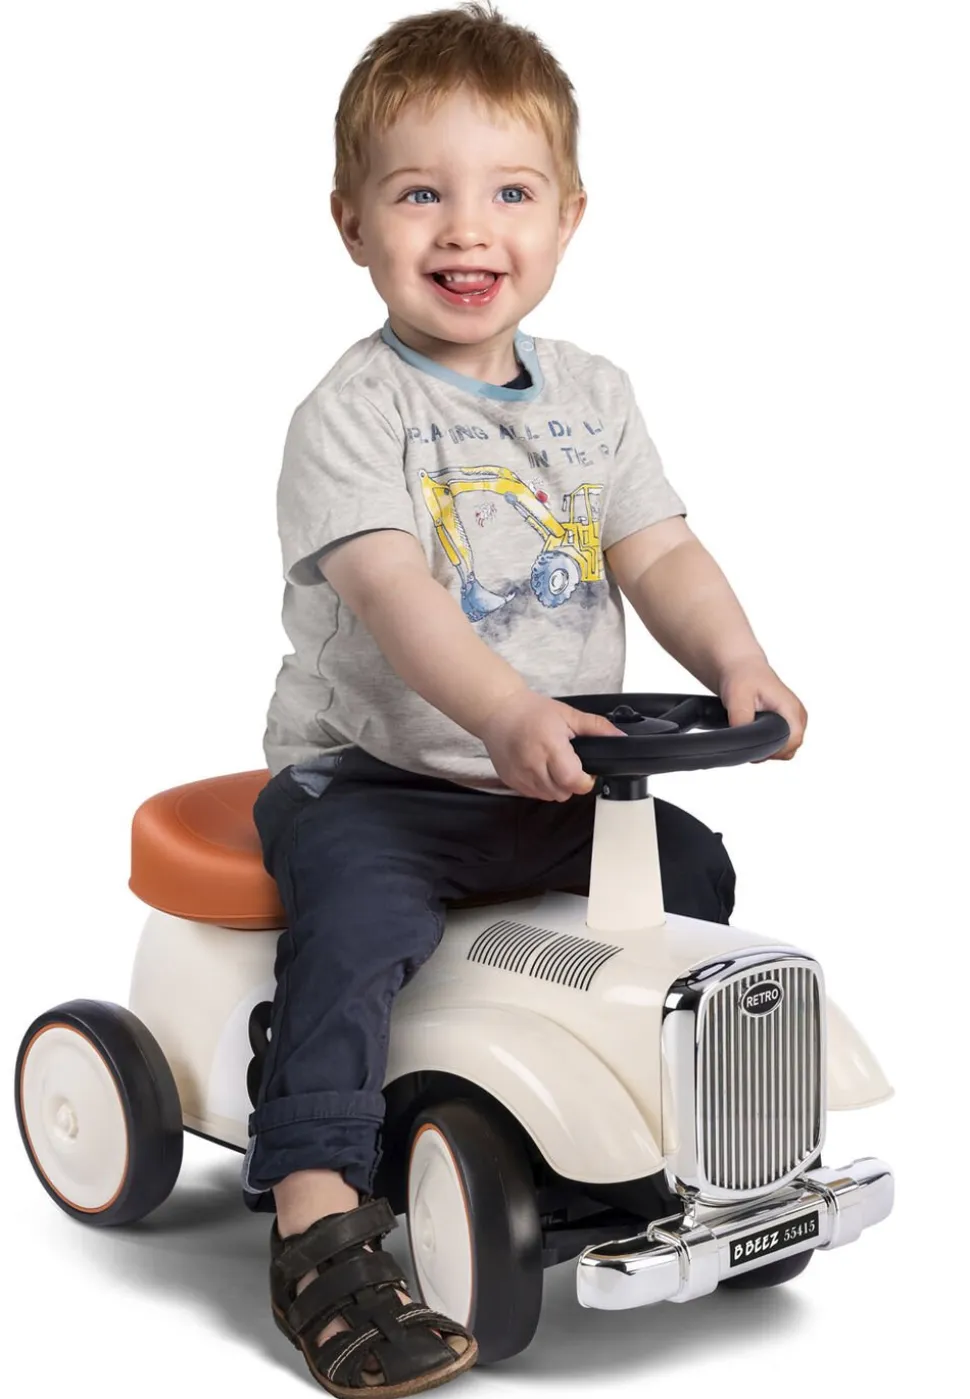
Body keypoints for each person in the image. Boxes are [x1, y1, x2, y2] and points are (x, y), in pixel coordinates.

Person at [246, 3, 807, 1393]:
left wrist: (733, 661)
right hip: (379, 780)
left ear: (568, 217)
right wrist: (502, 712)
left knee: (688, 870)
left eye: (509, 193)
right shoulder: (353, 415)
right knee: (358, 921)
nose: (465, 229)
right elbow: (398, 595)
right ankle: (317, 1211)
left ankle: (652, 1131)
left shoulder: (596, 400)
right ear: (351, 222)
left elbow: (658, 550)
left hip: (557, 777)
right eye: (418, 194)